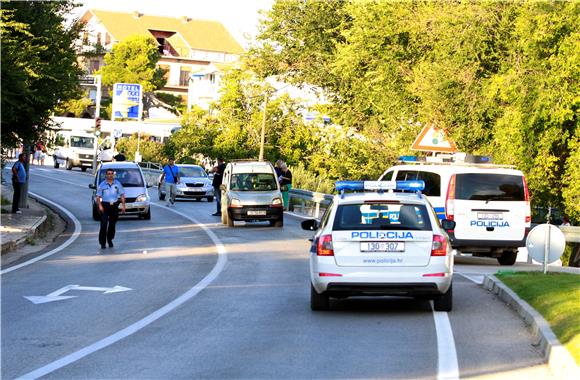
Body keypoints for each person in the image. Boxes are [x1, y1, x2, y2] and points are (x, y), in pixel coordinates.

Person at [96, 168, 126, 249]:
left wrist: (123, 206)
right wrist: (100, 206)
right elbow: (98, 197)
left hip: (114, 206)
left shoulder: (117, 184)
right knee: (103, 225)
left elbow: (122, 195)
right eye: (108, 174)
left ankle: (110, 239)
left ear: (113, 175)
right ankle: (102, 242)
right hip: (104, 206)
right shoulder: (102, 184)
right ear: (106, 175)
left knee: (112, 225)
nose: (110, 175)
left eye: (111, 174)